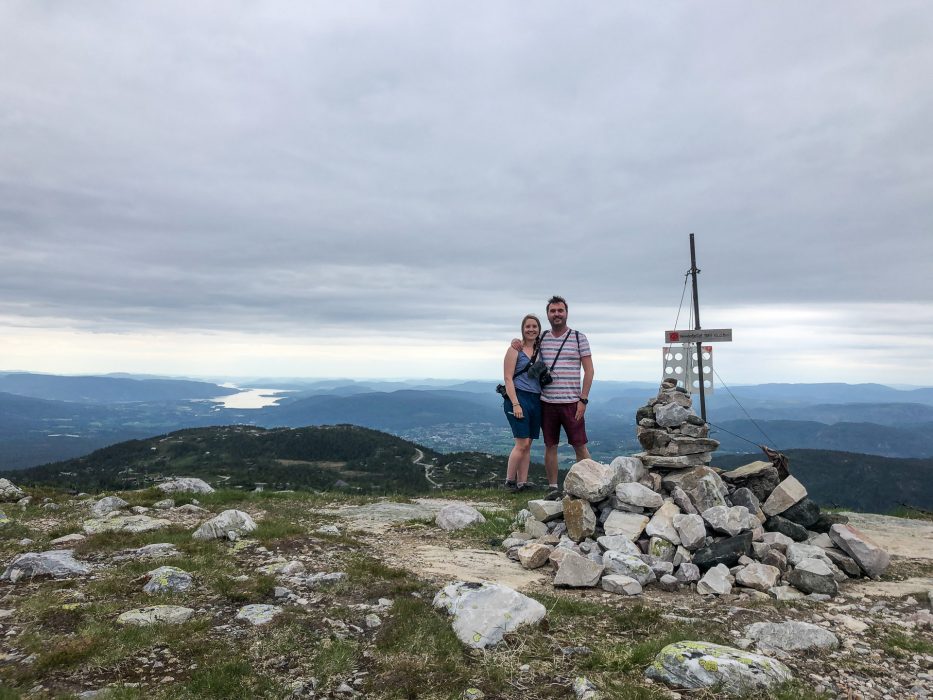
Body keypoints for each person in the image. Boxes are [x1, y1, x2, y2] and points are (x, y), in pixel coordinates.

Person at [536, 295, 594, 499]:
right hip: (547, 402)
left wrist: (583, 399)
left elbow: (589, 371)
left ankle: (591, 484)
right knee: (550, 445)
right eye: (553, 311)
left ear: (566, 313)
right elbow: (526, 351)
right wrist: (516, 343)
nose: (557, 314)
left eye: (560, 310)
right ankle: (553, 488)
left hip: (572, 403)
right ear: (548, 315)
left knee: (579, 445)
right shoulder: (541, 338)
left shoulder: (579, 337)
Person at [501, 314, 543, 492]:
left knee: (529, 444)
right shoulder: (514, 350)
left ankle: (522, 483)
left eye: (535, 326)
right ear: (522, 329)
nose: (531, 329)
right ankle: (509, 482)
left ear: (539, 329)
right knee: (522, 444)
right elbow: (508, 378)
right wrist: (516, 404)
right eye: (528, 327)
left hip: (536, 398)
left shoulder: (541, 349)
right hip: (518, 398)